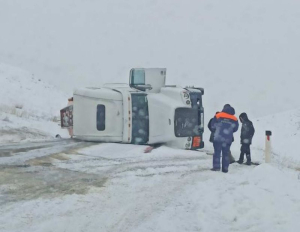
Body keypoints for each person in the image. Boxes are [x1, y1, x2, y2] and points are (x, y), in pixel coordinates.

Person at [210, 104, 239, 173]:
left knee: (217, 153)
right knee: (226, 154)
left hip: (218, 137)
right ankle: (225, 169)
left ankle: (216, 167)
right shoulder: (234, 119)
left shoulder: (218, 115)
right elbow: (235, 128)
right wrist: (229, 131)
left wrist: (218, 129)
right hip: (228, 138)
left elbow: (212, 126)